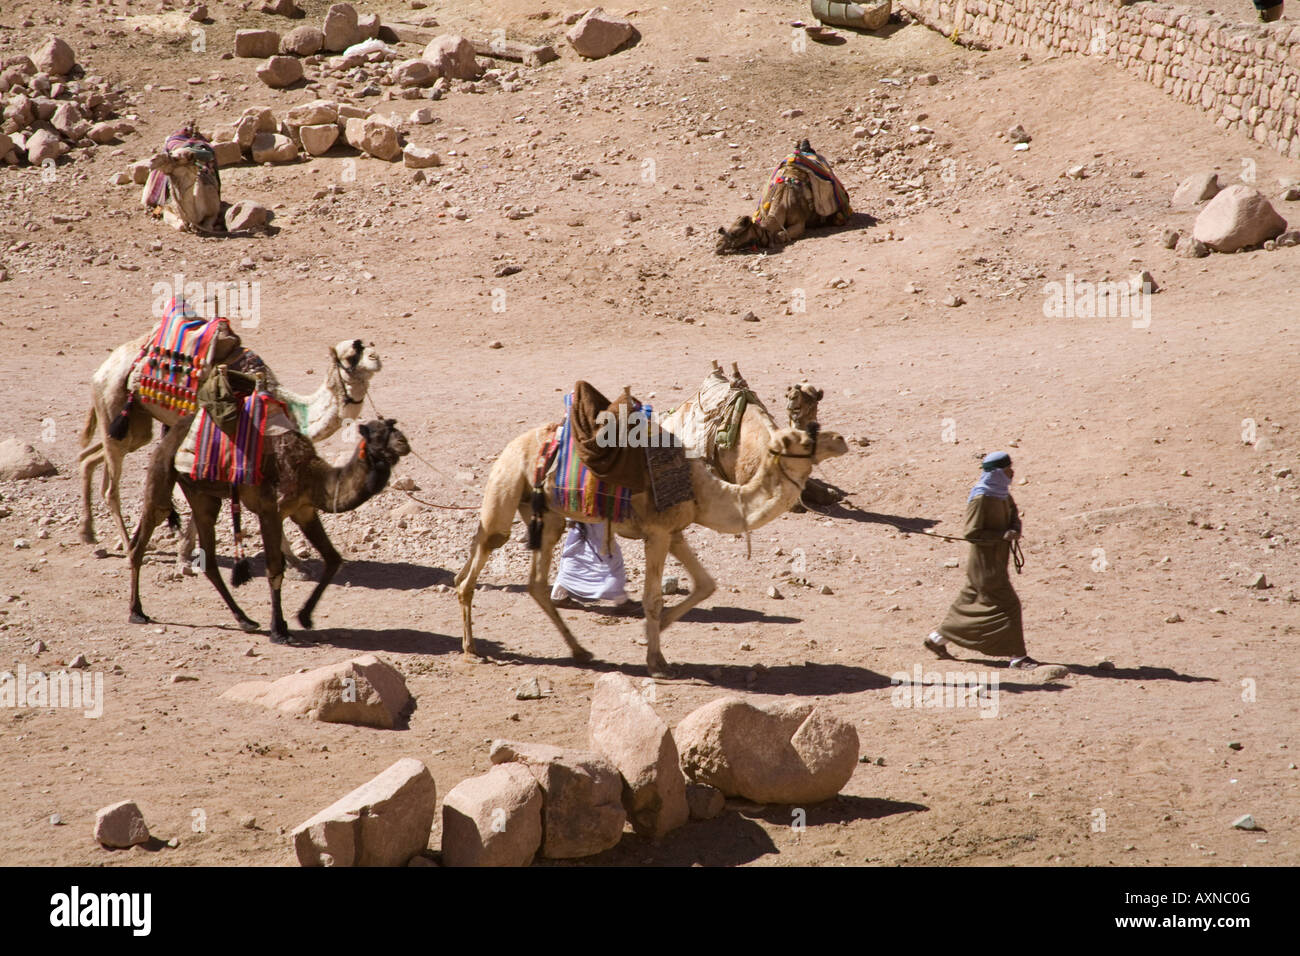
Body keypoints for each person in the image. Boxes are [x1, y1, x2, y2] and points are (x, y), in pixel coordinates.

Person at [924, 451, 1040, 669]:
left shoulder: (1001, 493)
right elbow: (971, 533)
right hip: (985, 563)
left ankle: (936, 639)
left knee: (970, 600)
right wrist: (1001, 536)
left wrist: (1014, 529)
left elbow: (1013, 515)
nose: (1012, 472)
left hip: (998, 559)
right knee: (1009, 605)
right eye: (1007, 469)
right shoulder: (981, 497)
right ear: (997, 472)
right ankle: (1018, 657)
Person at [551, 520, 635, 609]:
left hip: (581, 516)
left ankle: (558, 594)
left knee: (575, 551)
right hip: (595, 515)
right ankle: (621, 599)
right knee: (610, 556)